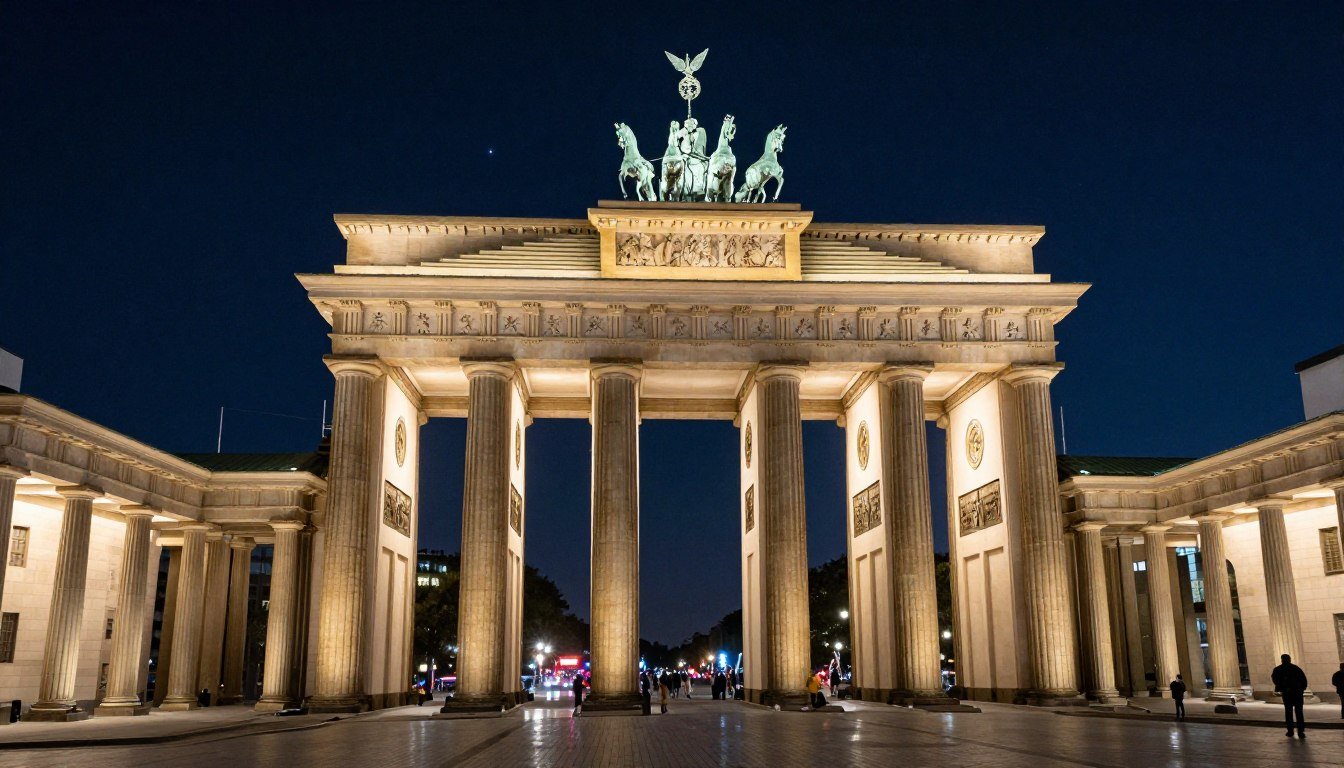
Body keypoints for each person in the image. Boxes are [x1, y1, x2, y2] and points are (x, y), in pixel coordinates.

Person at [1271, 653, 1309, 738]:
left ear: (1282, 660)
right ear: (1290, 659)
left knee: (1288, 712)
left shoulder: (1278, 669)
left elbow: (1275, 680)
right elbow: (1303, 680)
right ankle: (1300, 731)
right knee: (1299, 712)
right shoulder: (1296, 668)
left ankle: (1290, 731)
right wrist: (1302, 689)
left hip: (1287, 693)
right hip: (1297, 693)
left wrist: (1282, 687)